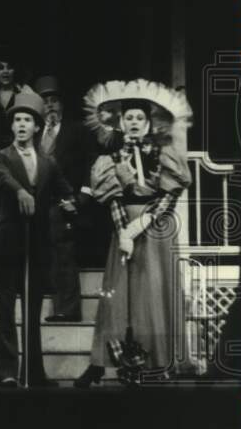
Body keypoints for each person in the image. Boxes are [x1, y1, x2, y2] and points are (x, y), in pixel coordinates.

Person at [74, 80, 194, 387]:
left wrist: (143, 223)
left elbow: (170, 194)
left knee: (152, 292)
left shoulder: (164, 153)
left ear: (149, 122)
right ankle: (107, 363)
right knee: (117, 294)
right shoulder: (111, 158)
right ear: (120, 123)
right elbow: (112, 197)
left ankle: (157, 362)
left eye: (140, 118)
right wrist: (124, 230)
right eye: (129, 118)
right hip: (123, 228)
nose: (134, 123)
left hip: (154, 229)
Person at [0, 92, 76, 387]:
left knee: (33, 306)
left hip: (38, 241)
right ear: (12, 126)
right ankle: (7, 371)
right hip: (8, 239)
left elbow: (64, 190)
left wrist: (74, 202)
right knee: (5, 305)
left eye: (27, 120)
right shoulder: (0, 155)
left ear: (37, 127)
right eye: (17, 120)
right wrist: (20, 191)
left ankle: (33, 372)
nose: (22, 124)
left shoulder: (48, 161)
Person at [33, 76, 96, 322]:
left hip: (66, 202)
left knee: (64, 253)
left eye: (54, 101)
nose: (50, 106)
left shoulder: (77, 131)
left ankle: (67, 308)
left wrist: (83, 195)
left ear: (62, 105)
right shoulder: (35, 134)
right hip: (38, 203)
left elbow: (92, 162)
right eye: (45, 101)